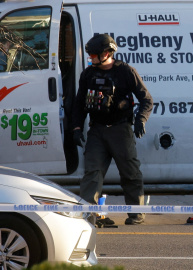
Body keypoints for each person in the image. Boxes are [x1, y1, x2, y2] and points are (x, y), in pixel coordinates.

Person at [72, 34, 153, 225]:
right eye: (90, 55)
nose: (91, 58)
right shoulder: (88, 74)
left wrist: (141, 120)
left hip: (121, 130)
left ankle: (136, 214)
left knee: (130, 173)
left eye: (94, 55)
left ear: (107, 53)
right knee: (92, 173)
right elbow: (79, 104)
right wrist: (76, 128)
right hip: (97, 131)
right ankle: (90, 215)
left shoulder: (125, 71)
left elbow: (146, 100)